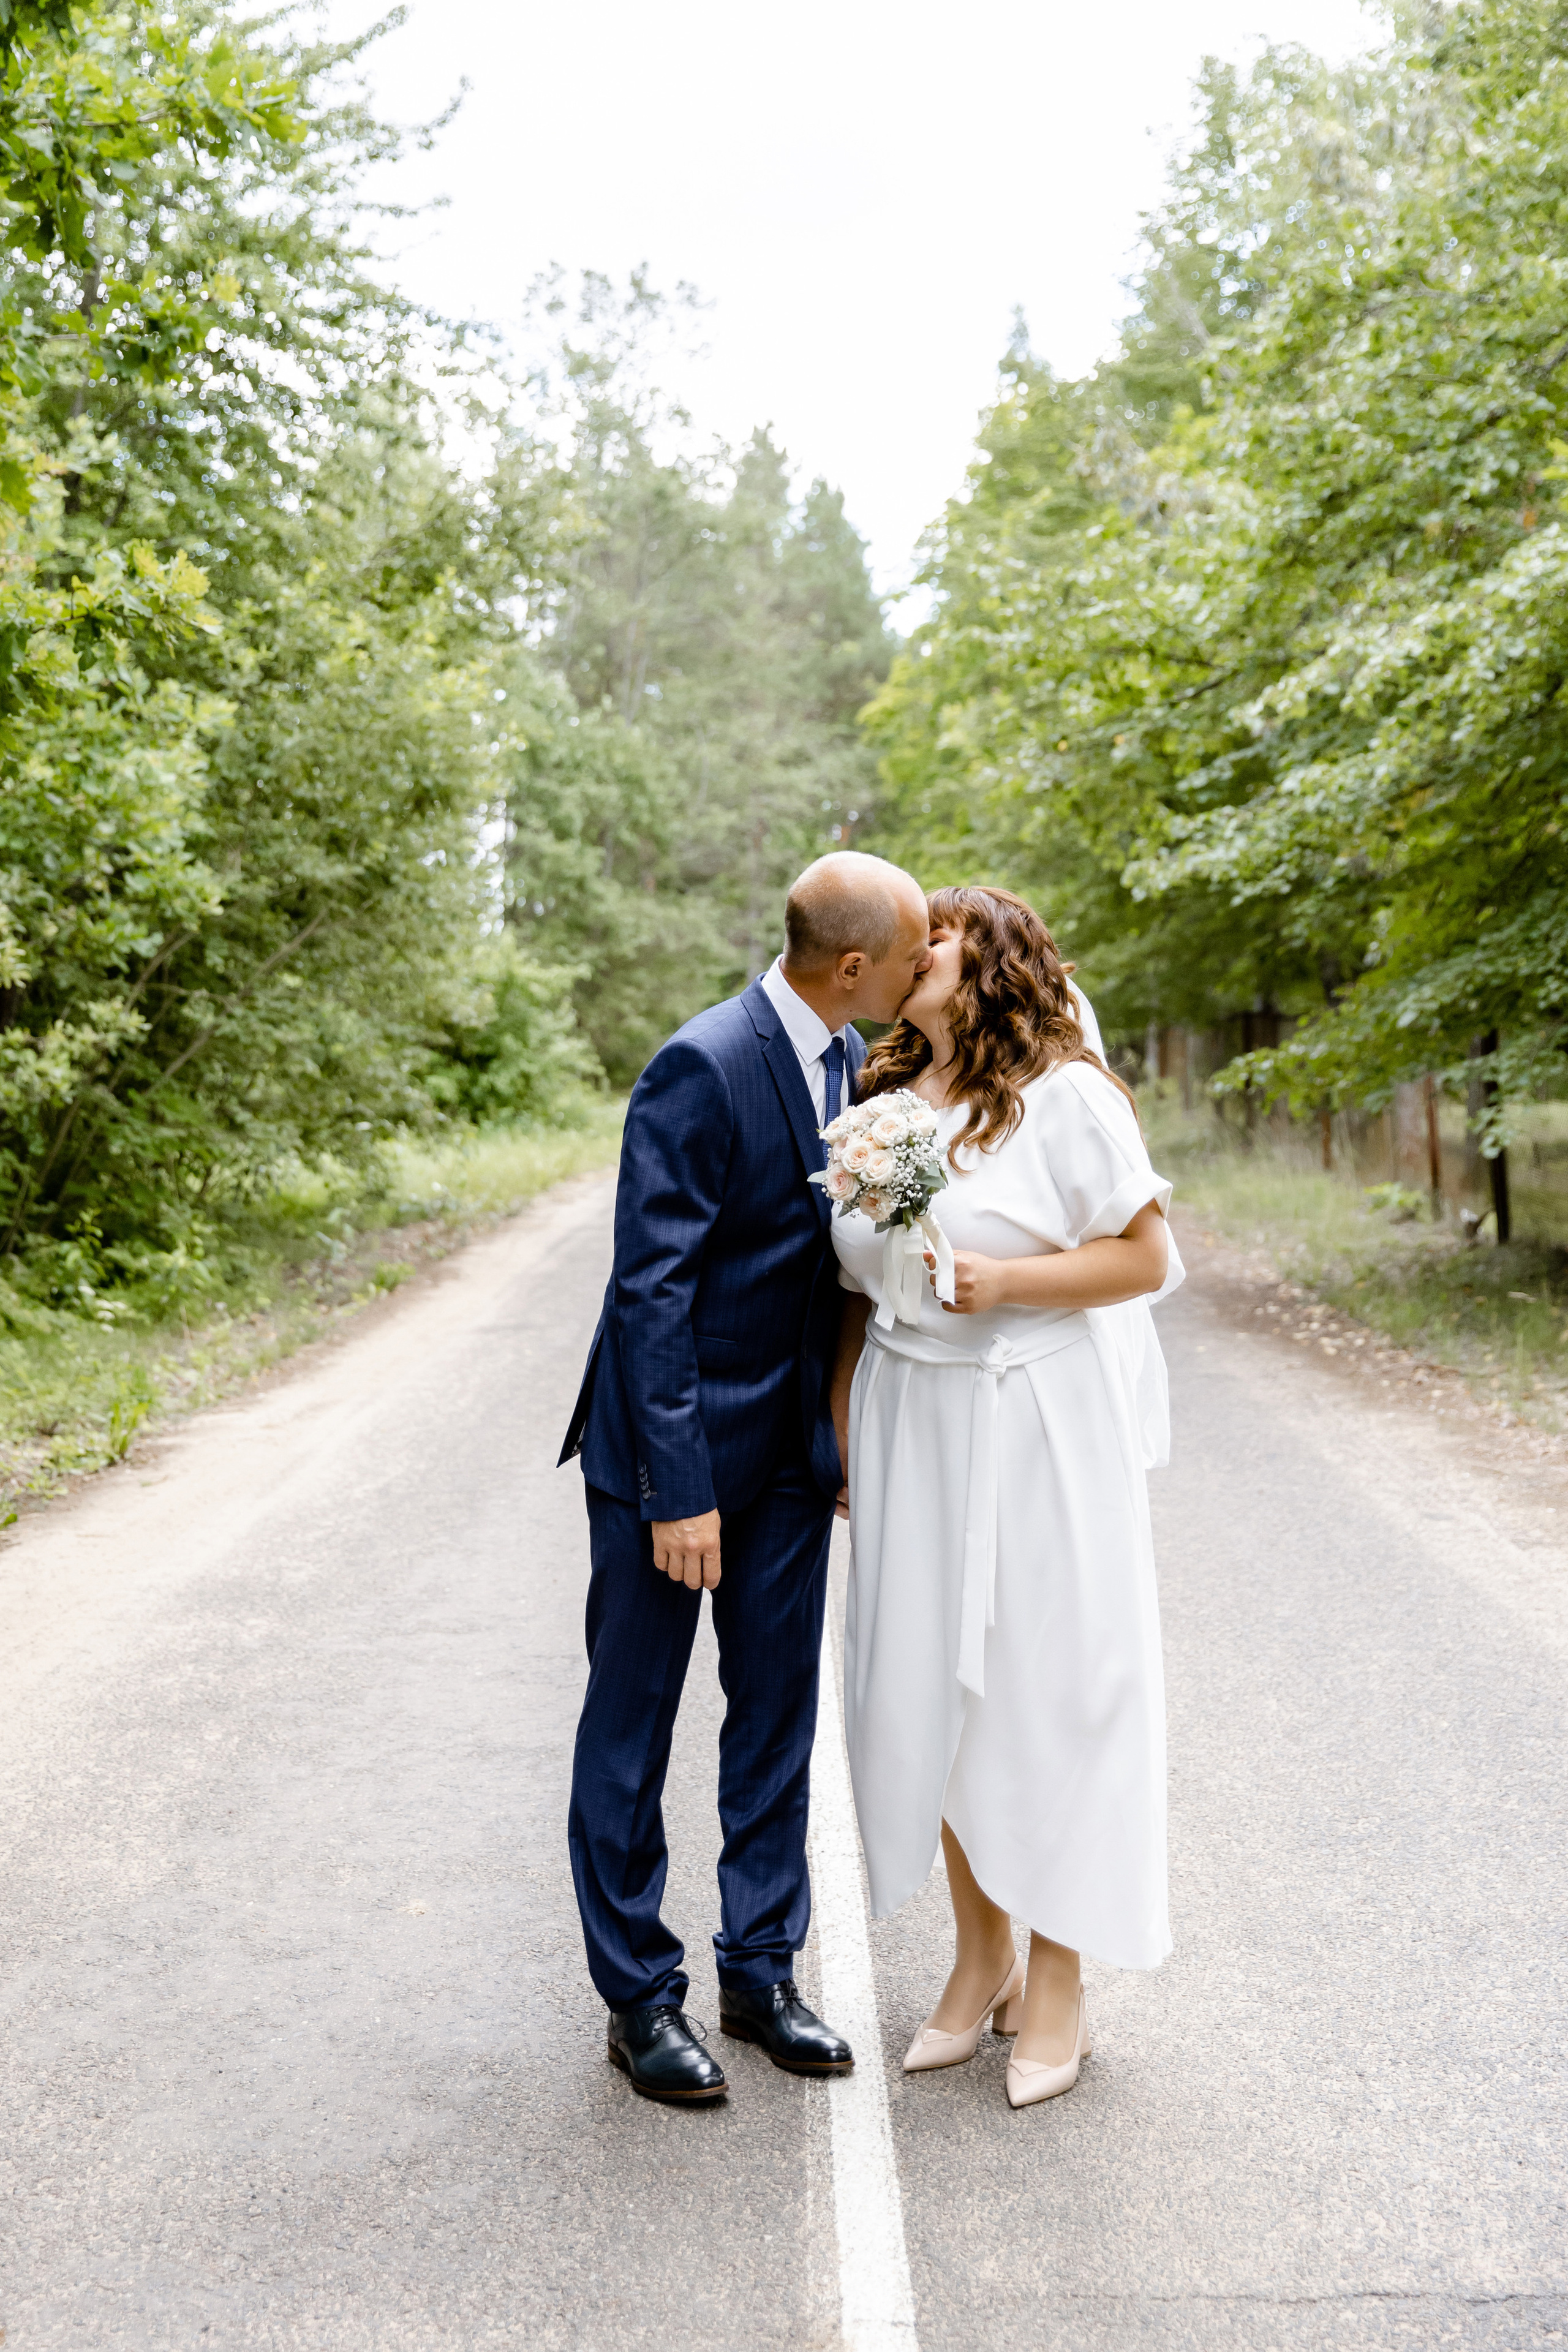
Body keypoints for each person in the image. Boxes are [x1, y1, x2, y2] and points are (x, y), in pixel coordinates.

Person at [559, 850, 933, 2105]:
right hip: (668, 1456)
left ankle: (759, 1968)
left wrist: (833, 1435)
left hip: (784, 1462)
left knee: (775, 1717)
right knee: (635, 1723)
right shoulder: (701, 1063)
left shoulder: (858, 1070)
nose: (922, 963)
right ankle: (637, 1999)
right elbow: (647, 1287)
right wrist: (676, 1488)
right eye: (910, 948)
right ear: (849, 967)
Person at [828, 885, 1182, 2109]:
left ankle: (1058, 1972)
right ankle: (977, 1959)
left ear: (990, 965)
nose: (917, 950)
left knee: (1048, 1690)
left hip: (1033, 1420)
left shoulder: (1064, 1102)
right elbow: (858, 1296)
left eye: (940, 934)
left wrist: (1009, 1280)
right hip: (907, 1422)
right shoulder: (876, 1111)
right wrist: (842, 1433)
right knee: (932, 1691)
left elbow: (1145, 1258)